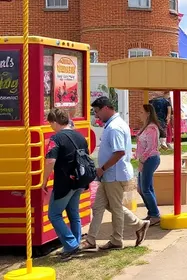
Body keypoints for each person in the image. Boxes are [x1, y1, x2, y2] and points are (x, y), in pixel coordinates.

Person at [83, 97, 150, 250]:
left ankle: (117, 240)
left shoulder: (114, 127)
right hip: (108, 175)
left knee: (116, 208)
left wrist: (103, 168)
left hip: (113, 174)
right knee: (99, 206)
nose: (96, 115)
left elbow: (119, 152)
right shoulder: (111, 125)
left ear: (106, 108)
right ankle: (91, 239)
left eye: (97, 111)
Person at [43, 108, 89, 260]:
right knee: (73, 213)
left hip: (64, 183)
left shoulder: (56, 139)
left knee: (54, 214)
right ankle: (75, 243)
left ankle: (70, 244)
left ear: (55, 122)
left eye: (50, 123)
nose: (50, 127)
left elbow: (50, 161)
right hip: (80, 181)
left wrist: (44, 180)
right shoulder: (80, 136)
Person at [135, 104, 162, 226]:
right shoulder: (146, 127)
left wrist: (142, 160)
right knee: (143, 188)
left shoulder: (152, 129)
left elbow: (151, 147)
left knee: (145, 188)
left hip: (150, 159)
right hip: (145, 159)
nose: (139, 114)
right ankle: (152, 212)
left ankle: (155, 214)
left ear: (148, 113)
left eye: (141, 112)